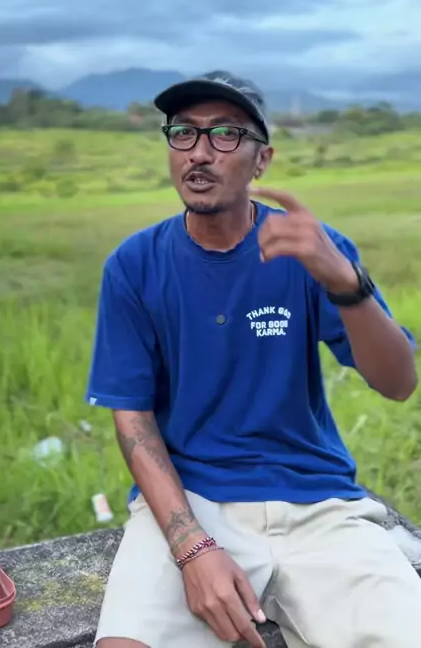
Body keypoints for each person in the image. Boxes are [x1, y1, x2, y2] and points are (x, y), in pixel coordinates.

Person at [86, 70, 420, 648]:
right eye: (184, 133)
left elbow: (398, 382)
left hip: (317, 503)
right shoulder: (135, 265)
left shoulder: (311, 249)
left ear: (261, 160)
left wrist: (346, 282)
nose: (199, 152)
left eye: (225, 134)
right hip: (194, 499)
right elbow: (133, 419)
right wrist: (191, 547)